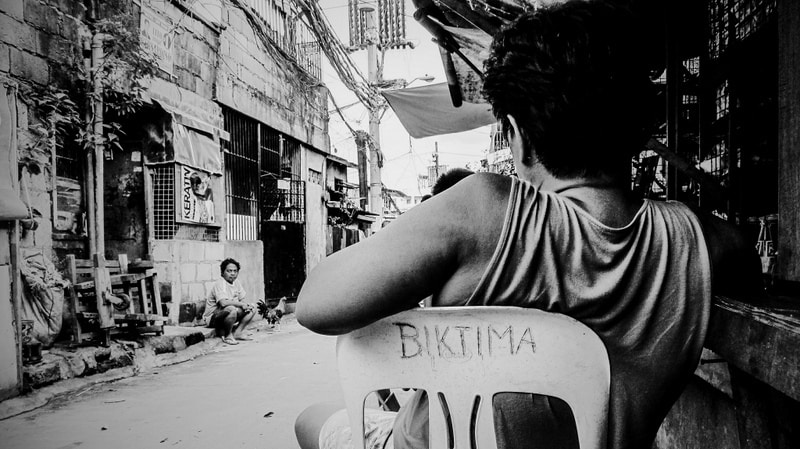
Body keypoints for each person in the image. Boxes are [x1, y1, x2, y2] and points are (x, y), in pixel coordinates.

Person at [294, 2, 761, 449]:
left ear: (516, 137)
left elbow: (315, 304)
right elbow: (747, 260)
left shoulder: (483, 210)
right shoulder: (703, 241)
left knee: (310, 420)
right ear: (642, 127)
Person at [204, 258, 255, 345]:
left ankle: (238, 332)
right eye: (229, 271)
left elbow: (242, 298)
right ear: (222, 272)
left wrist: (246, 305)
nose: (232, 273)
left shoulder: (237, 283)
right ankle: (228, 335)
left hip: (229, 314)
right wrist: (241, 304)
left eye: (235, 271)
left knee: (252, 308)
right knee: (231, 308)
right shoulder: (220, 283)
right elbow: (223, 303)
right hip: (213, 318)